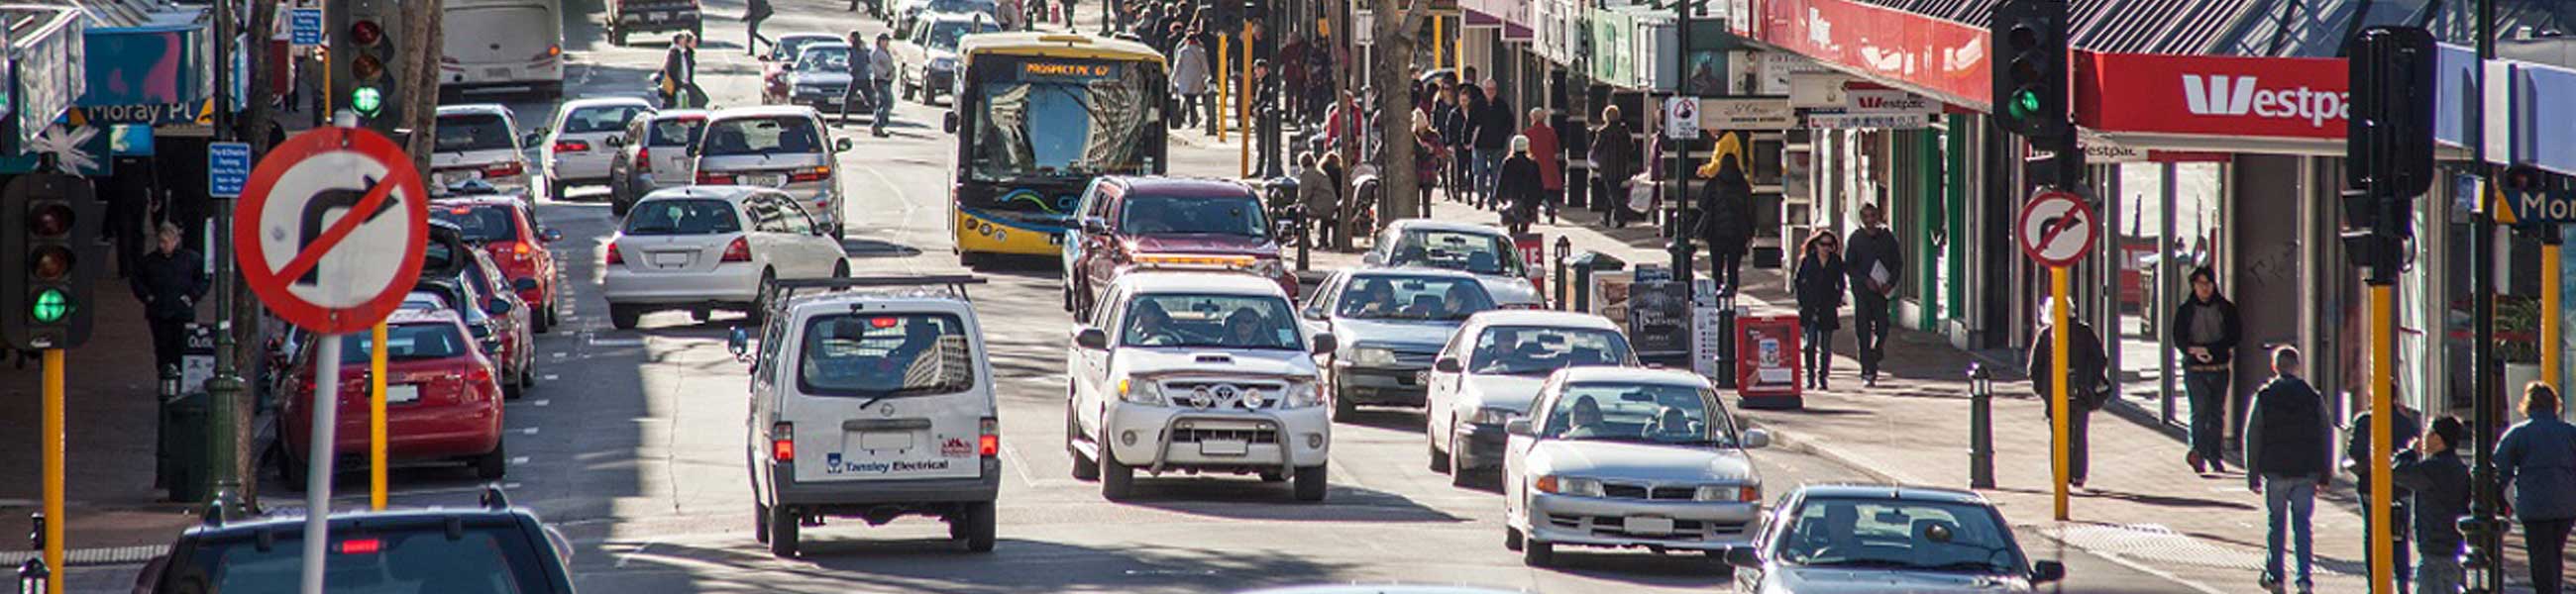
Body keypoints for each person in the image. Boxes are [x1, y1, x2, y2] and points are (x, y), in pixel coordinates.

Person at [2243, 346, 2331, 594]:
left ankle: (2276, 576)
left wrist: (2253, 474)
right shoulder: (2313, 397)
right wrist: (2324, 473)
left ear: (2275, 367)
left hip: (2275, 470)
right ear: (2297, 366)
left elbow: (2253, 436)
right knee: (2302, 525)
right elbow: (2325, 434)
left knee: (2276, 524)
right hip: (2306, 471)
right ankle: (2304, 580)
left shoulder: (2265, 397)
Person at [2496, 382, 2576, 594]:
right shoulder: (2570, 432)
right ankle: (2554, 587)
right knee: (2555, 551)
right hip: (2566, 504)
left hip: (2534, 505)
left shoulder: (2518, 433)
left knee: (2540, 556)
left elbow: (2500, 469)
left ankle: (2547, 589)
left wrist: (2498, 498)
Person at [2171, 266, 2243, 474]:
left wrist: (2211, 350)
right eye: (2200, 284)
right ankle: (2198, 453)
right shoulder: (2186, 310)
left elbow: (2234, 336)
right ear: (2193, 285)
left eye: (2208, 283)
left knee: (2216, 413)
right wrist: (2193, 350)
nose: (2205, 288)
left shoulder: (2225, 309)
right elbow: (2179, 338)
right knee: (2199, 412)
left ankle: (2215, 456)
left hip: (2219, 368)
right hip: (2195, 369)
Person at [2026, 303, 2107, 489]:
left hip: (2055, 394)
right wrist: (2089, 381)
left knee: (2058, 435)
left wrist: (2043, 390)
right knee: (2079, 434)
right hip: (2081, 392)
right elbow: (2100, 359)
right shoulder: (2084, 332)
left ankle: (2060, 475)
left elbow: (2034, 368)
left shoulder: (2046, 335)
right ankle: (2078, 475)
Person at [2346, 399, 2421, 590]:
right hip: (2401, 488)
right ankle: (2403, 584)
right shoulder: (2406, 422)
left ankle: (2375, 583)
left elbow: (2355, 451)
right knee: (2400, 535)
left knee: (2372, 534)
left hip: (2370, 485)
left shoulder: (2365, 420)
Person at [2392, 416, 2471, 594]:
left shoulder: (2434, 469)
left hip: (2435, 547)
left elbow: (2398, 472)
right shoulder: (2457, 467)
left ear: (2437, 437)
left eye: (2427, 432)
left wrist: (2410, 452)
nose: (2423, 437)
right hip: (2452, 544)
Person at [133, 223, 206, 375]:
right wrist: (147, 296)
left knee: (181, 346)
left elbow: (203, 278)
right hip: (159, 310)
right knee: (162, 347)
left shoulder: (190, 259)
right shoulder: (149, 261)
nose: (163, 246)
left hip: (181, 311)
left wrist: (192, 296)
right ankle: (165, 375)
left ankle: (179, 375)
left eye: (166, 242)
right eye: (161, 241)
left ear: (176, 241)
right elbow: (137, 280)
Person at [1843, 203, 1902, 386]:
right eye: (1866, 216)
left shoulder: (1887, 238)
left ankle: (1877, 351)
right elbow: (1849, 266)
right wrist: (1864, 279)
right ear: (1861, 218)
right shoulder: (1856, 239)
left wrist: (1890, 283)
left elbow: (1897, 263)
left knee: (1882, 327)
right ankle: (1867, 371)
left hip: (1881, 291)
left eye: (1873, 216)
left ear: (1878, 217)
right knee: (1863, 330)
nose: (1869, 220)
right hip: (1863, 291)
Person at [1697, 132, 1755, 296]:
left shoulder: (1714, 183)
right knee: (1733, 267)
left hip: (1716, 232)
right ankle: (1731, 293)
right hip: (1737, 232)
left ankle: (1716, 292)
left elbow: (1702, 204)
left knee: (1716, 266)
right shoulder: (1742, 185)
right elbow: (1750, 208)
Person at [1793, 230, 1845, 390]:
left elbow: (1841, 283)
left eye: (1830, 245)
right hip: (1810, 306)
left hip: (1827, 306)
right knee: (1810, 343)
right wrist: (1802, 301)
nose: (1826, 248)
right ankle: (1810, 377)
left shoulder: (1835, 261)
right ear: (1815, 244)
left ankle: (1823, 377)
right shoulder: (1808, 260)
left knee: (1826, 346)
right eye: (1823, 244)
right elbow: (1798, 281)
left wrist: (1836, 299)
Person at [1471, 79, 1515, 209]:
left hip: (1497, 144)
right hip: (1481, 144)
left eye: (1493, 89)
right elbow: (1470, 123)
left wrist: (1503, 135)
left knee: (1496, 173)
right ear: (1483, 90)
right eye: (1488, 89)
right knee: (1481, 171)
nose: (1490, 92)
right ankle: (1481, 195)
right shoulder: (1477, 105)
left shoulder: (1502, 105)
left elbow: (1510, 122)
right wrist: (1467, 139)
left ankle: (1493, 199)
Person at [1588, 105, 1633, 226]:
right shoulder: (1624, 130)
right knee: (1613, 191)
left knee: (1613, 193)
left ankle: (1621, 217)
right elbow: (1631, 147)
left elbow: (1596, 149)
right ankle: (1606, 217)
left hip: (1607, 166)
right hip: (1621, 165)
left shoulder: (1603, 132)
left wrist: (1594, 159)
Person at [1521, 108, 1562, 221]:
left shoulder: (1528, 133)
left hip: (1533, 164)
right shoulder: (1550, 132)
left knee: (1533, 190)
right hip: (1548, 164)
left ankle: (1534, 214)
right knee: (1549, 190)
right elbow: (1556, 147)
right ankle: (1551, 206)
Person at [1496, 135, 1543, 235]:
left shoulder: (1508, 162)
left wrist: (1500, 197)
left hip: (1512, 199)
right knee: (1525, 227)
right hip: (1528, 201)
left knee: (1512, 225)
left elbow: (1502, 181)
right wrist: (1537, 201)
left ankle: (1513, 236)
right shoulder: (1532, 164)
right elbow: (1538, 185)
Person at [1172, 36, 1211, 132]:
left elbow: (1177, 66)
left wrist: (1173, 78)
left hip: (1185, 78)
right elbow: (1205, 65)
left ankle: (1188, 118)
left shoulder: (1183, 51)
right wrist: (1207, 76)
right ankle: (1190, 117)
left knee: (1188, 97)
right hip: (1197, 78)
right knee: (1191, 98)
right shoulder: (1201, 51)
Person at [659, 33, 701, 108]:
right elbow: (672, 70)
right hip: (674, 84)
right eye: (683, 39)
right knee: (671, 104)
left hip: (680, 83)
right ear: (679, 40)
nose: (685, 42)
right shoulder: (675, 52)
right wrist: (679, 84)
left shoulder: (681, 52)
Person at [868, 34, 899, 137]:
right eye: (885, 41)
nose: (887, 43)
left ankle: (877, 125)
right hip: (881, 80)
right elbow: (876, 68)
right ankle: (879, 124)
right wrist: (886, 74)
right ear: (880, 41)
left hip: (887, 81)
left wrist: (892, 74)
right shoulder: (876, 53)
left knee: (881, 104)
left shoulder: (886, 52)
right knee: (887, 103)